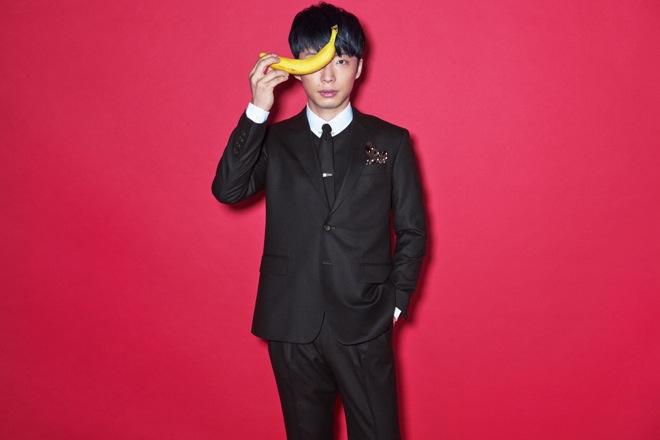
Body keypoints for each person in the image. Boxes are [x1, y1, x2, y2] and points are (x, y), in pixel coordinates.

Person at [212, 3, 426, 439]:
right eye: (316, 62)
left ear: (359, 68)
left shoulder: (391, 141)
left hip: (365, 319)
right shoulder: (274, 140)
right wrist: (257, 109)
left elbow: (412, 229)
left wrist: (396, 302)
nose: (328, 77)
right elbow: (228, 189)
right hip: (291, 319)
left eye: (341, 62)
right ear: (297, 68)